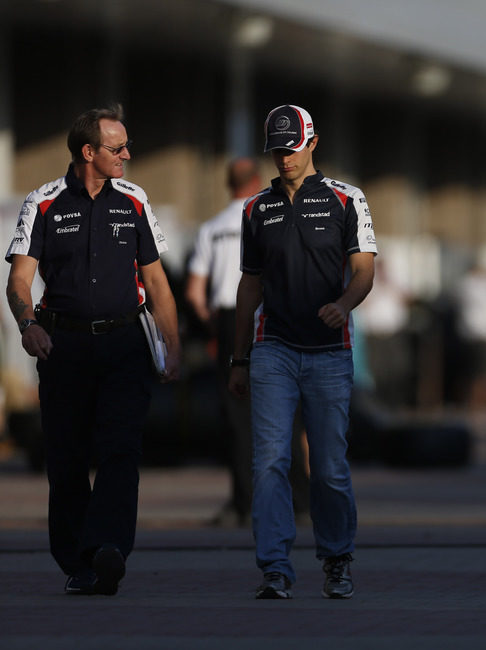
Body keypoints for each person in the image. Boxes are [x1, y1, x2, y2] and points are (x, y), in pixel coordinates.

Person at [5, 103, 181, 596]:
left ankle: (108, 548)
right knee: (65, 460)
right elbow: (18, 280)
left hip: (125, 344)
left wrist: (172, 343)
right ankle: (78, 562)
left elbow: (157, 281)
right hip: (63, 348)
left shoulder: (135, 200)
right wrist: (27, 326)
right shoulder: (42, 202)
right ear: (88, 152)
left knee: (122, 449)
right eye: (116, 147)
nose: (127, 153)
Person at [228, 105, 377, 600]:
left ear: (312, 143)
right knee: (269, 461)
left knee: (329, 465)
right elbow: (248, 288)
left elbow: (364, 270)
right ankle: (275, 566)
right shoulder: (256, 208)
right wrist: (239, 358)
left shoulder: (347, 199)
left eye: (291, 148)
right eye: (276, 149)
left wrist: (343, 304)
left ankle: (337, 558)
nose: (284, 158)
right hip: (272, 349)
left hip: (330, 352)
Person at [185, 158, 309, 526]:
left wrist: (215, 330)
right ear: (256, 180)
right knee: (288, 410)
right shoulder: (274, 215)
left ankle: (244, 502)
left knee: (238, 417)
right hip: (274, 315)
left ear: (227, 184)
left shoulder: (211, 228)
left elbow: (193, 293)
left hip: (228, 320)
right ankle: (300, 501)